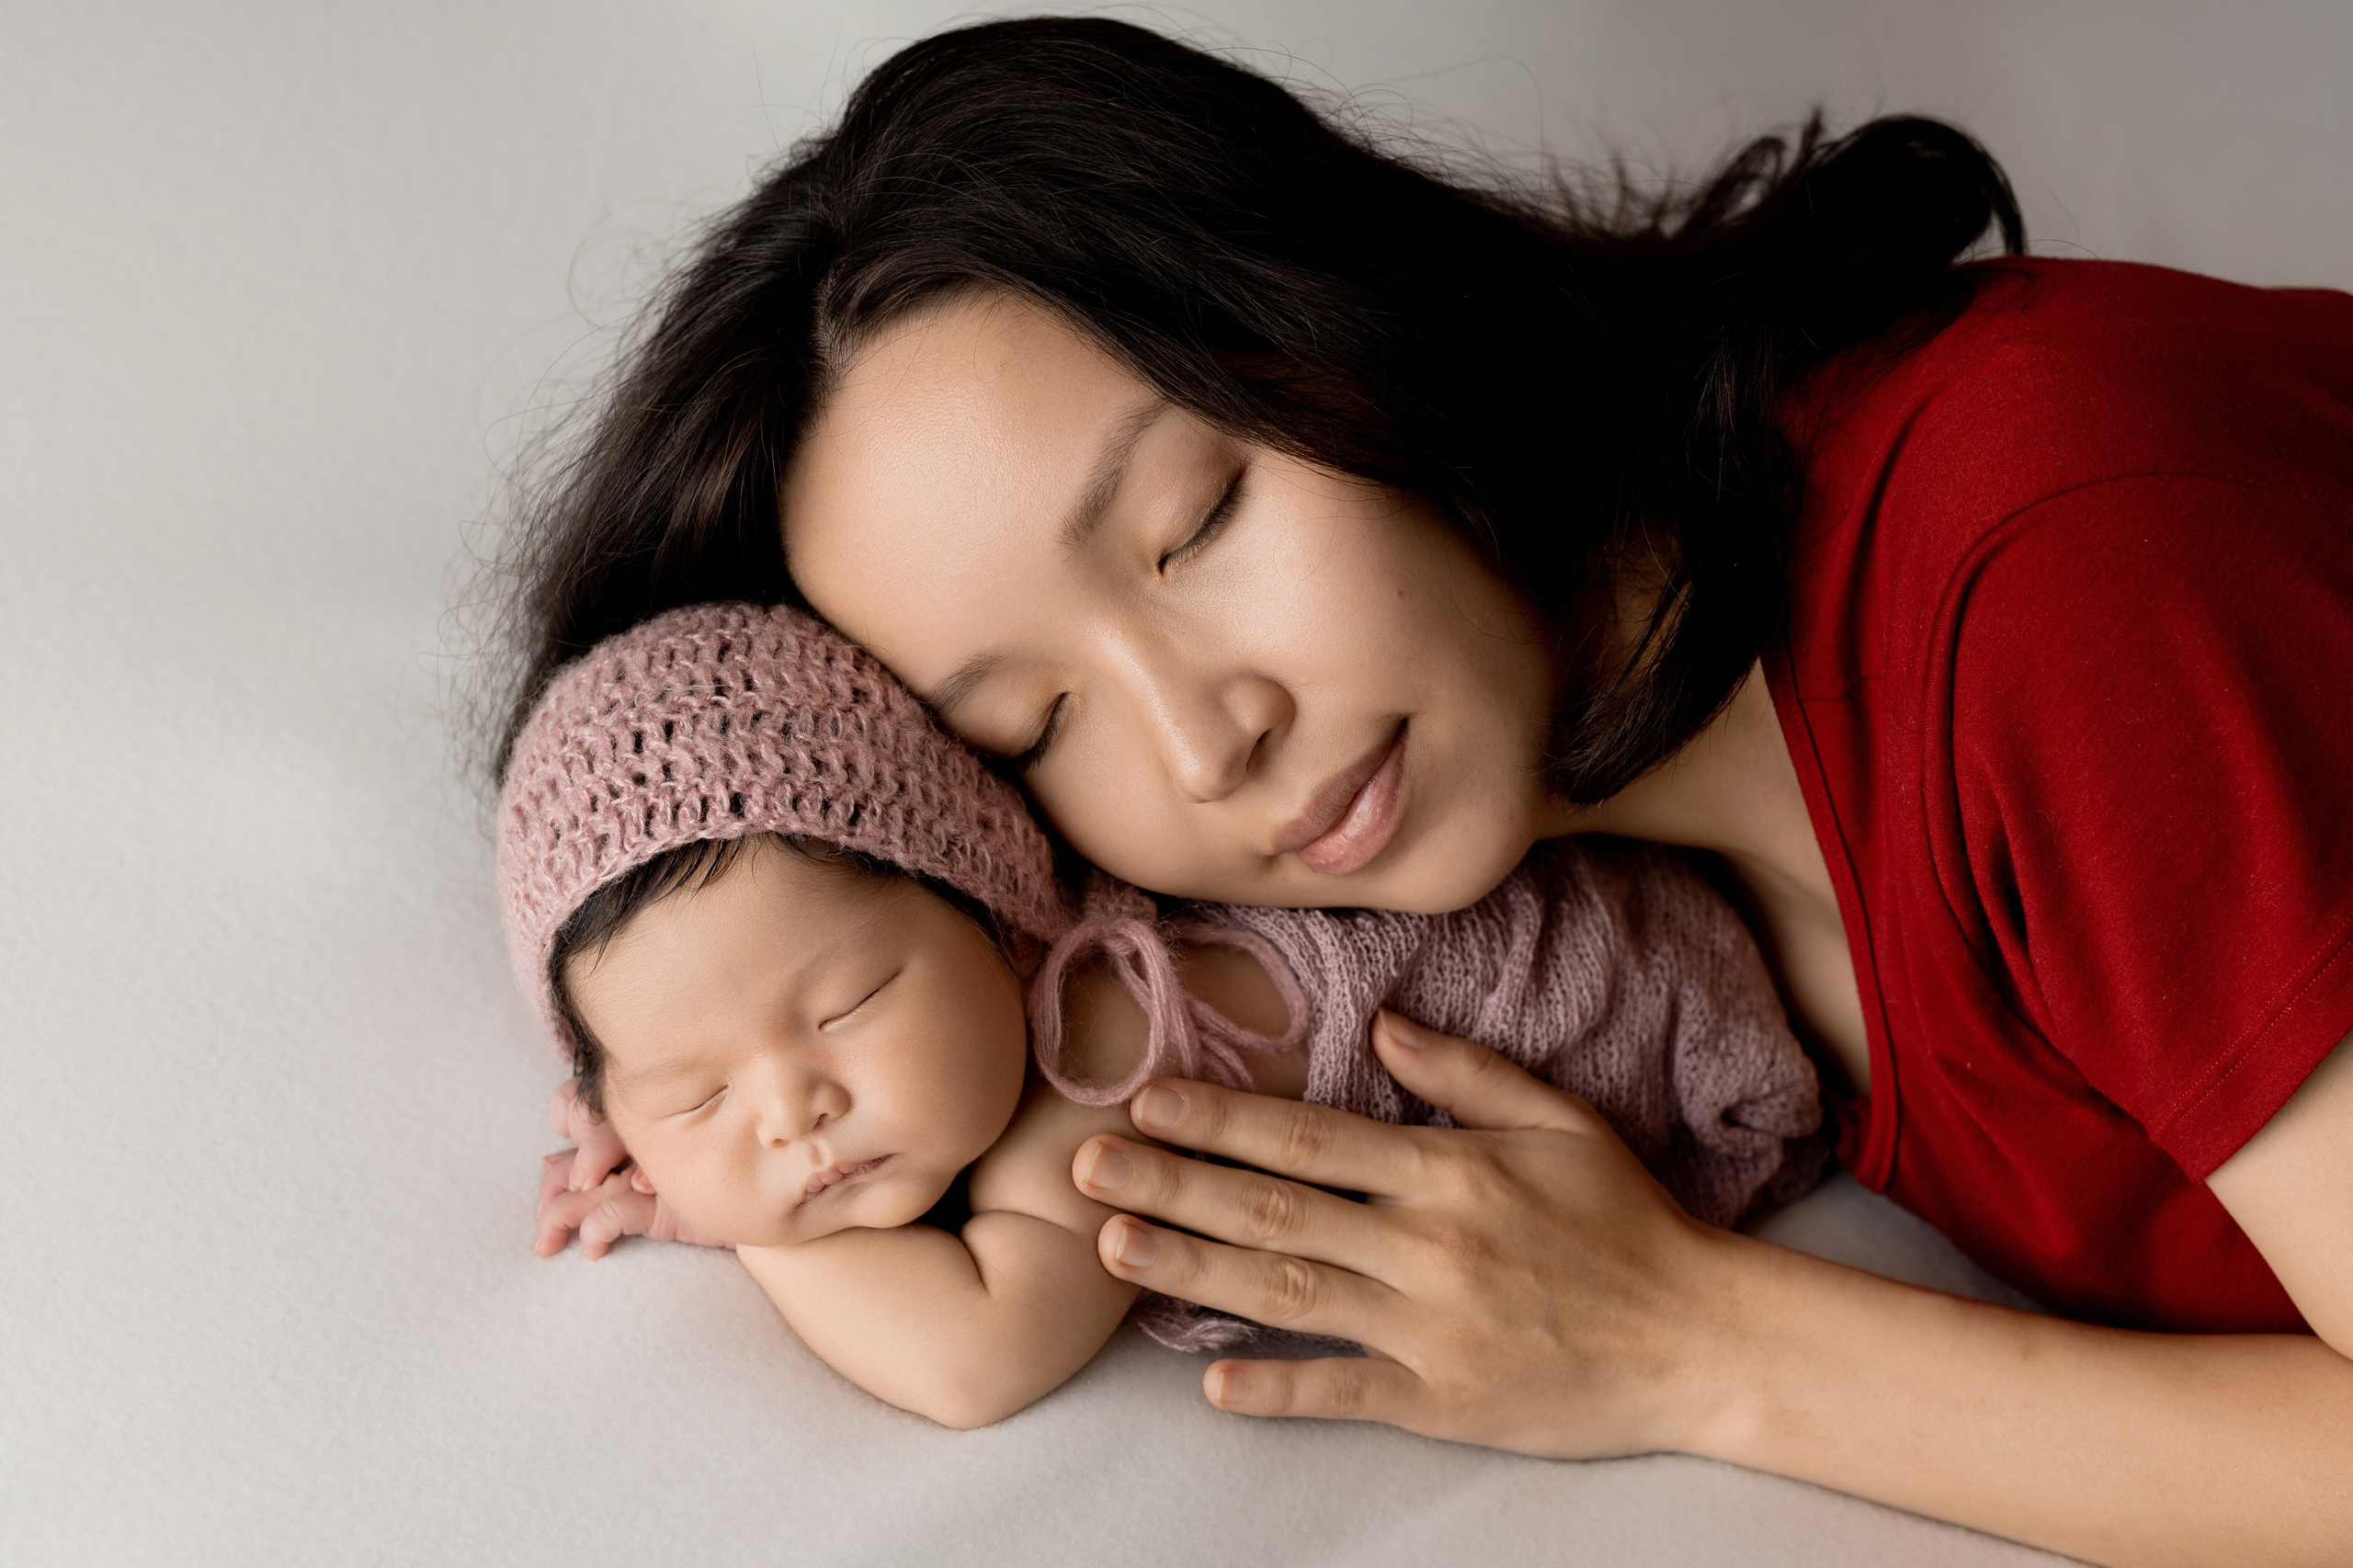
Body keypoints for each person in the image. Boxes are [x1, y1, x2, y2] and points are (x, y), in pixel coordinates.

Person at [489, 17, 2353, 1561]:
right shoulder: (1568, 912)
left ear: (1352, 321)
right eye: (1036, 724)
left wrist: (1686, 1346)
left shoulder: (2060, 586)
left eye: (1196, 522)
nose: (1201, 742)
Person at [508, 601, 1822, 1422]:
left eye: (846, 1005)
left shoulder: (1105, 1044)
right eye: (694, 1094)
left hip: (1660, 1017)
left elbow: (975, 1354)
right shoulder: (956, 1048)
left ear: (991, 901)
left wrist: (744, 1222)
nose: (793, 1111)